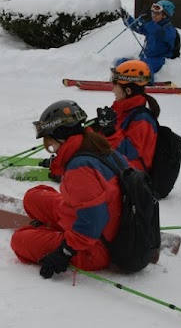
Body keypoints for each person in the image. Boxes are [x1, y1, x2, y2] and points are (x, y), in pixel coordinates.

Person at [11, 100, 128, 278]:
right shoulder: (95, 147)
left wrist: (64, 252)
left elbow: (94, 218)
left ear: (59, 135)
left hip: (95, 247)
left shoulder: (80, 168)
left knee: (20, 241)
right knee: (33, 196)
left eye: (49, 141)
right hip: (104, 224)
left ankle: (55, 233)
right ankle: (56, 229)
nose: (50, 148)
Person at [93, 60, 160, 173]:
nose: (113, 89)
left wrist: (110, 132)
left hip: (132, 177)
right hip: (117, 168)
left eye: (115, 84)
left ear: (128, 90)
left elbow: (128, 153)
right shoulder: (122, 111)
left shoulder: (142, 119)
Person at [118, 0, 178, 80]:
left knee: (144, 67)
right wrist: (127, 17)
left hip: (159, 59)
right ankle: (120, 79)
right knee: (122, 63)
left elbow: (159, 33)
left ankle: (146, 83)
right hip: (146, 57)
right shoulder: (152, 25)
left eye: (157, 14)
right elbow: (138, 26)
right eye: (153, 12)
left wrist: (148, 21)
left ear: (165, 16)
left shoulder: (170, 30)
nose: (153, 15)